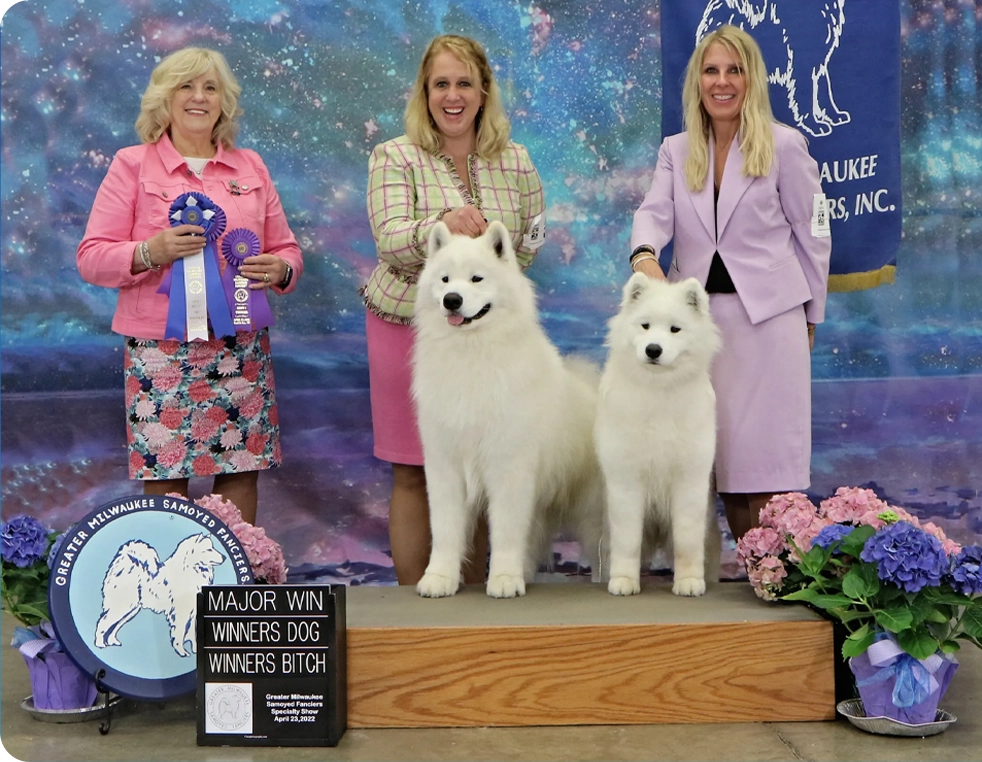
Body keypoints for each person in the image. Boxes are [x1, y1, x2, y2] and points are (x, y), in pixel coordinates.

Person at [77, 47, 303, 525]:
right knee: (165, 475)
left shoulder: (251, 167)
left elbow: (287, 250)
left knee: (242, 468)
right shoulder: (131, 165)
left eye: (210, 87)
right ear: (165, 98)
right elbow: (92, 257)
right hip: (161, 349)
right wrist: (148, 252)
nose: (198, 97)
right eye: (186, 86)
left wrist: (280, 271)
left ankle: (235, 585)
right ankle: (173, 593)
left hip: (240, 343)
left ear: (225, 101)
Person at [630, 25, 831, 541]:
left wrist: (812, 315)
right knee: (720, 465)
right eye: (711, 70)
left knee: (766, 471)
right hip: (698, 330)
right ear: (697, 80)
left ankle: (775, 587)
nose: (722, 82)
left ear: (752, 79)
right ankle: (749, 586)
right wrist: (644, 254)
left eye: (734, 70)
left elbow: (814, 234)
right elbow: (653, 213)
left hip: (770, 323)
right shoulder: (675, 150)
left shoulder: (785, 144)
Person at [365, 34, 546, 585]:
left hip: (494, 343)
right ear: (424, 92)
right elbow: (391, 239)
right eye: (440, 84)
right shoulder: (395, 155)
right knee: (417, 468)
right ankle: (415, 603)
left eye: (464, 83)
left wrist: (498, 269)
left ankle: (474, 596)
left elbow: (531, 236)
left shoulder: (514, 160)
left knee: (491, 466)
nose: (453, 95)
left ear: (483, 91)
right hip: (411, 327)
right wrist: (441, 227)